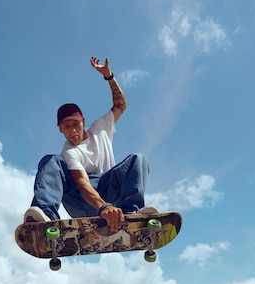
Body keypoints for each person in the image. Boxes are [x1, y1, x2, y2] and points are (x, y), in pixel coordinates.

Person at [24, 56, 157, 231]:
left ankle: (131, 213)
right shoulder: (69, 152)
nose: (72, 131)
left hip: (109, 190)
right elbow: (82, 183)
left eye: (76, 125)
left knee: (138, 159)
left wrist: (109, 76)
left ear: (83, 122)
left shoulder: (101, 126)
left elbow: (120, 106)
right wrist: (103, 206)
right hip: (82, 202)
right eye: (66, 127)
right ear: (60, 129)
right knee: (51, 160)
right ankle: (45, 215)